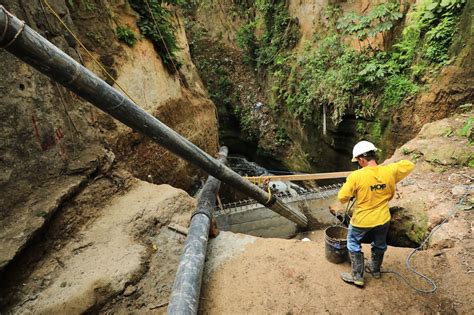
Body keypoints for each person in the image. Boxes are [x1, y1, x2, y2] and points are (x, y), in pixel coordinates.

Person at [337, 140, 414, 287]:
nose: (358, 164)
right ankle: (375, 270)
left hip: (362, 220)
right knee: (379, 244)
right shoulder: (389, 171)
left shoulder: (356, 176)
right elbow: (409, 165)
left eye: (358, 161)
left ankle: (357, 276)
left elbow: (342, 197)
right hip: (383, 218)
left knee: (353, 242)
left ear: (361, 159)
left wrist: (355, 191)